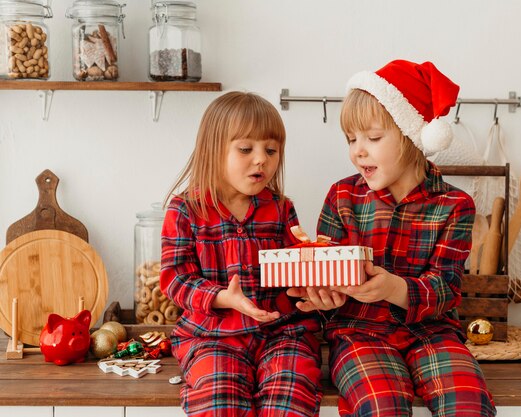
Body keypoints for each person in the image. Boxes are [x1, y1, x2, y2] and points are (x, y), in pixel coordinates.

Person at [288, 60, 497, 417]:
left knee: (467, 404)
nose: (358, 150)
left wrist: (393, 289)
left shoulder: (455, 205)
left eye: (372, 137)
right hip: (359, 332)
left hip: (432, 332)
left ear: (411, 135)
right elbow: (326, 270)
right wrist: (322, 297)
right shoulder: (342, 197)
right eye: (351, 139)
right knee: (382, 406)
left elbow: (446, 287)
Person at [161, 91, 323, 417]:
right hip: (212, 337)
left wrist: (311, 287)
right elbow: (176, 279)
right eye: (246, 149)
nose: (261, 159)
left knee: (291, 393)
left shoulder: (280, 208)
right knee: (219, 400)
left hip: (282, 332)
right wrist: (223, 297)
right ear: (213, 151)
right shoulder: (186, 209)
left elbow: (298, 270)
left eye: (271, 150)